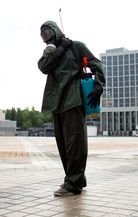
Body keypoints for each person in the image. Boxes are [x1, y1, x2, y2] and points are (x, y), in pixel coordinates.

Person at [38, 20, 105, 196]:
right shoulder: (50, 53)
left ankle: (73, 184)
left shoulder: (76, 46)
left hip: (73, 99)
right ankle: (75, 179)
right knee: (63, 145)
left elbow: (97, 65)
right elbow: (43, 67)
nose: (46, 38)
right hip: (56, 103)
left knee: (75, 143)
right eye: (43, 35)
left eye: (48, 33)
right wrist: (56, 50)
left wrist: (98, 87)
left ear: (56, 31)